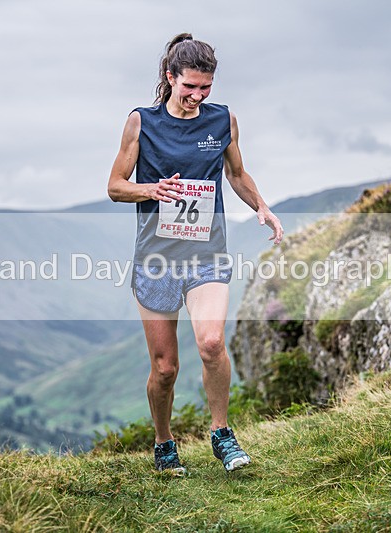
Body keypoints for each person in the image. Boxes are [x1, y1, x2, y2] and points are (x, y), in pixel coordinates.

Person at [107, 33, 283, 475]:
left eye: (206, 87)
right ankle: (164, 442)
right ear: (170, 78)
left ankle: (222, 434)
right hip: (157, 259)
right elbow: (115, 186)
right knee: (165, 368)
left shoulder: (222, 120)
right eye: (190, 86)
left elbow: (237, 173)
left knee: (211, 343)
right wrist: (151, 189)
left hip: (207, 253)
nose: (198, 96)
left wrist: (261, 206)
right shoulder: (141, 122)